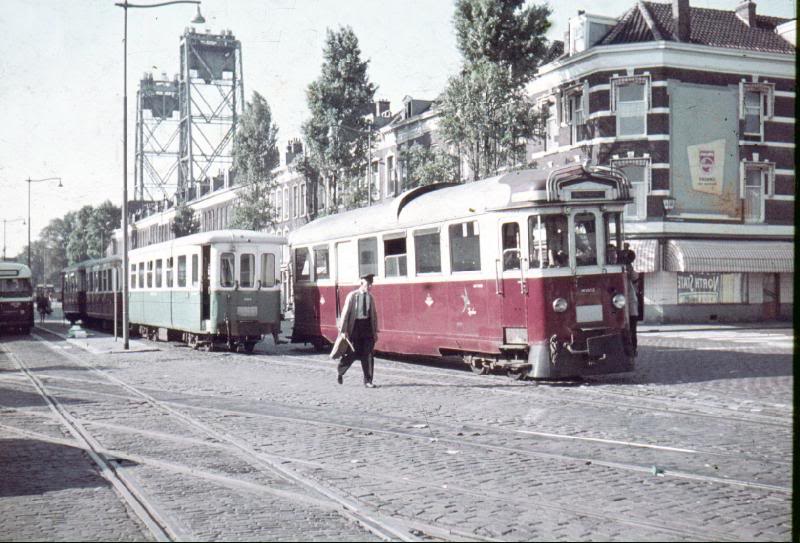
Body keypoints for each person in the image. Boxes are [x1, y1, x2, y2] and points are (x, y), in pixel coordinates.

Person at [336, 273, 379, 388]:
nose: (369, 287)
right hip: (355, 327)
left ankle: (368, 381)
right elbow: (345, 314)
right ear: (361, 283)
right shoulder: (352, 296)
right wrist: (343, 330)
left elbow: (374, 315)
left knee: (368, 354)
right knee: (353, 353)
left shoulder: (371, 298)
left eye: (371, 285)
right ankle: (340, 371)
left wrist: (375, 332)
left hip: (367, 327)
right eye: (367, 284)